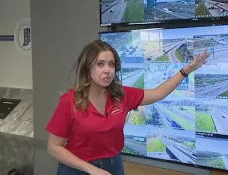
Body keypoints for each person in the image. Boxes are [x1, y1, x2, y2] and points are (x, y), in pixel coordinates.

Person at [46, 40, 209, 175]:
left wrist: (187, 69)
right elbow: (54, 148)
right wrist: (92, 170)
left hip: (113, 166)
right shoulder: (69, 101)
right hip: (78, 168)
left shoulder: (121, 95)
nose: (107, 70)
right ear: (87, 68)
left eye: (111, 64)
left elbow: (159, 93)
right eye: (100, 64)